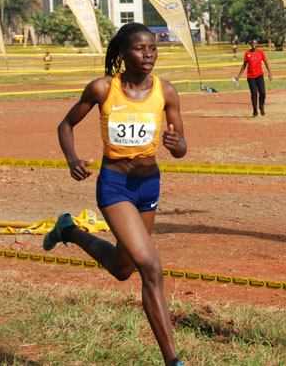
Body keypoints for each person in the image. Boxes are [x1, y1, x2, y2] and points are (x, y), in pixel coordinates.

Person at [47, 23, 187, 366]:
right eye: (140, 49)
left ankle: (68, 230)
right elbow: (66, 125)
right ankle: (174, 361)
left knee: (123, 268)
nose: (148, 55)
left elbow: (181, 147)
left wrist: (177, 144)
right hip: (115, 185)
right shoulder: (102, 88)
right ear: (124, 53)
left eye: (152, 48)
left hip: (148, 185)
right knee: (150, 267)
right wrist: (72, 159)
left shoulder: (166, 91)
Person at [234, 39, 272, 117]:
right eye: (252, 43)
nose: (254, 44)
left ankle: (261, 106)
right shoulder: (247, 53)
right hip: (250, 77)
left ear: (257, 44)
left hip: (259, 75)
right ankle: (255, 111)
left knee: (262, 93)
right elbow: (244, 65)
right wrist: (239, 76)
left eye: (255, 43)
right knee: (254, 94)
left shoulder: (261, 52)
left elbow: (266, 63)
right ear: (250, 44)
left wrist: (270, 73)